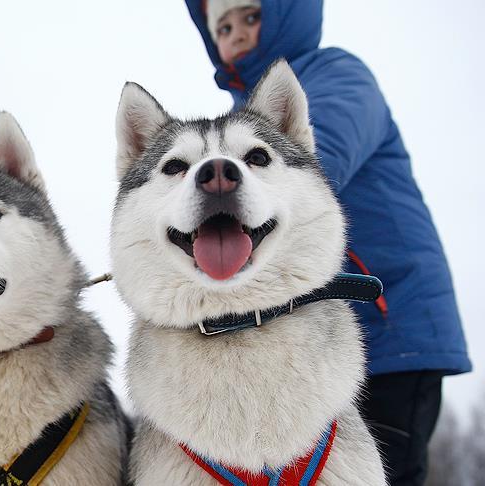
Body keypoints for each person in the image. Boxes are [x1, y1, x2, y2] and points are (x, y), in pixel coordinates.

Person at [183, 1, 471, 485]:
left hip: (388, 322)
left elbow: (315, 166)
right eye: (223, 26)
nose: (235, 35)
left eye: (250, 18)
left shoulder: (337, 73)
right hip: (312, 341)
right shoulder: (238, 118)